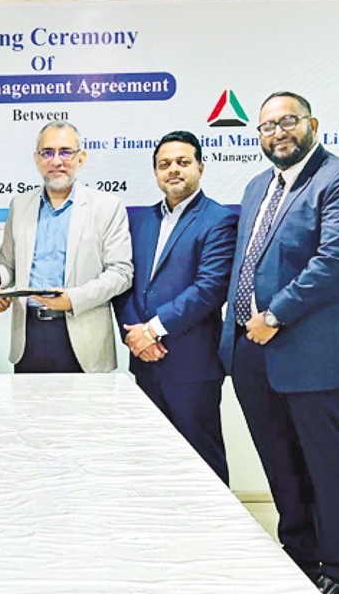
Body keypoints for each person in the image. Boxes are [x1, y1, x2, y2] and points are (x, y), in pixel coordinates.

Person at [219, 92, 339, 594]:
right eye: (267, 126)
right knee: (281, 464)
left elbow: (335, 263)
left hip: (317, 355)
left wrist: (274, 315)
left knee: (327, 464)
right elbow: (245, 264)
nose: (277, 132)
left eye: (287, 121)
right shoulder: (256, 187)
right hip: (252, 353)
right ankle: (299, 559)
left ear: (312, 124)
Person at [113, 130, 237, 484]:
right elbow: (124, 281)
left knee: (201, 456)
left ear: (200, 167)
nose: (173, 170)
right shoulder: (140, 220)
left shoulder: (219, 220)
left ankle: (211, 518)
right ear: (155, 172)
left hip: (191, 363)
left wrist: (153, 330)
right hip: (145, 360)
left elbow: (210, 289)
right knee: (152, 457)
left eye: (183, 162)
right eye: (164, 164)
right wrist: (135, 335)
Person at [0, 120, 133, 373]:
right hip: (28, 337)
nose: (56, 161)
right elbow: (7, 264)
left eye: (66, 152)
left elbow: (121, 273)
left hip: (85, 337)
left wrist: (73, 299)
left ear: (81, 158)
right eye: (47, 153)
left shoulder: (107, 207)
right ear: (37, 159)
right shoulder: (20, 205)